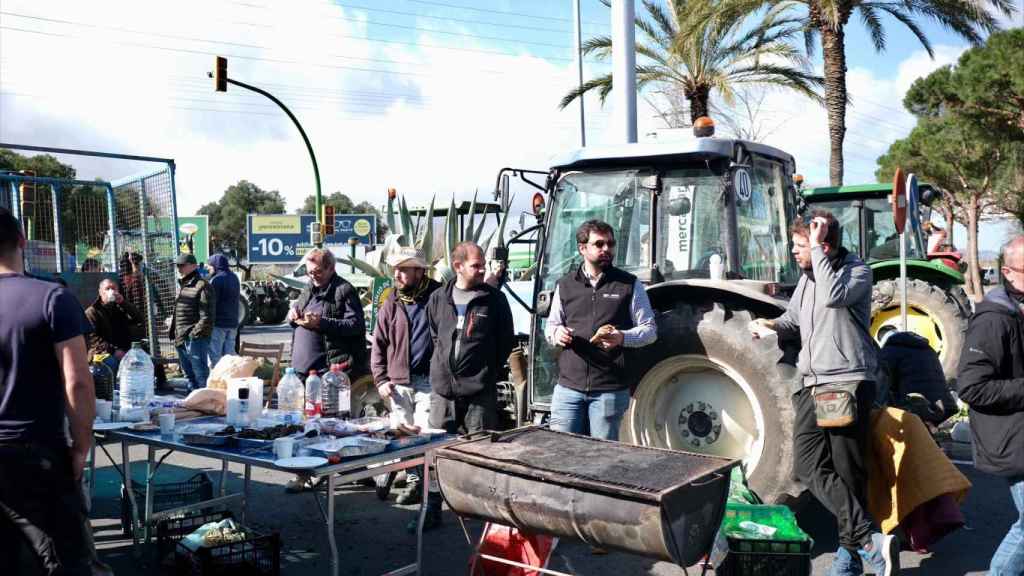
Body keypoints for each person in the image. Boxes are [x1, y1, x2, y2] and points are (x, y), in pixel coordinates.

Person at [750, 211, 898, 576]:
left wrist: (816, 251)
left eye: (801, 246)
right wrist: (769, 324)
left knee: (849, 471)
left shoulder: (856, 272)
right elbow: (794, 320)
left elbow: (833, 297)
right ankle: (867, 539)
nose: (795, 253)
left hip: (844, 382)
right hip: (810, 383)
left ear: (824, 246)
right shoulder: (808, 277)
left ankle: (850, 559)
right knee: (807, 464)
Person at [0, 207, 95, 575]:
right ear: (22, 241)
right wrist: (82, 446)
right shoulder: (52, 298)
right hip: (36, 452)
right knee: (65, 559)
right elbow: (79, 383)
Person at [425, 241, 515, 527]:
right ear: (458, 266)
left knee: (480, 449)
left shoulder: (494, 299)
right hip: (443, 391)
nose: (482, 270)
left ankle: (479, 512)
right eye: (476, 265)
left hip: (479, 391)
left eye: (483, 264)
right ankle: (433, 507)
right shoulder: (439, 298)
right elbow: (435, 337)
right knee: (438, 450)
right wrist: (443, 371)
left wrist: (485, 373)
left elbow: (505, 342)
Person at [545, 219, 657, 440]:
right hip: (568, 389)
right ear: (582, 248)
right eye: (599, 244)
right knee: (560, 454)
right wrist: (557, 334)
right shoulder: (565, 285)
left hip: (609, 391)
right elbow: (551, 326)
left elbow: (650, 330)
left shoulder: (629, 285)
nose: (607, 249)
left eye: (610, 244)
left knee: (603, 460)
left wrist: (622, 337)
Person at [956, 235, 1024, 576]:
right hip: (1012, 440)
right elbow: (972, 387)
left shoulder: (1017, 310)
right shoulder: (993, 320)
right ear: (1009, 273)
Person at [286, 248, 368, 493]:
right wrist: (293, 316)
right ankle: (308, 472)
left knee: (330, 428)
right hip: (302, 372)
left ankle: (331, 472)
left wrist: (321, 323)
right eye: (310, 273)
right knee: (306, 428)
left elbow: (355, 325)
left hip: (328, 371)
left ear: (332, 268)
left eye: (319, 272)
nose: (314, 277)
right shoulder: (308, 289)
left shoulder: (344, 290)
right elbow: (296, 315)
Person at [371, 247, 441, 506]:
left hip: (429, 381)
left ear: (420, 271)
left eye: (404, 269)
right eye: (396, 269)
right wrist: (380, 379)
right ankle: (409, 479)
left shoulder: (437, 296)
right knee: (403, 437)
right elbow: (379, 343)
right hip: (398, 382)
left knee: (423, 436)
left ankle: (421, 489)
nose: (397, 275)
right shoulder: (392, 300)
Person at [169, 253, 215, 391]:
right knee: (189, 376)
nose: (179, 268)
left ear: (193, 266)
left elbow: (207, 316)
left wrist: (193, 335)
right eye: (178, 265)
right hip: (182, 337)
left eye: (182, 265)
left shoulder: (202, 286)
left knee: (200, 375)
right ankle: (194, 403)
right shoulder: (184, 285)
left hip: (194, 339)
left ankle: (205, 402)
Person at [85, 278, 145, 371]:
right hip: (100, 353)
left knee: (145, 359)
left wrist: (123, 302)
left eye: (114, 289)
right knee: (111, 362)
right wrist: (114, 351)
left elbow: (139, 319)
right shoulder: (92, 312)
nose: (111, 291)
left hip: (124, 349)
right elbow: (93, 338)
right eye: (107, 289)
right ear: (100, 292)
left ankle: (159, 383)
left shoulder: (120, 308)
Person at [206, 254, 241, 369]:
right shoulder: (234, 277)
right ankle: (230, 378)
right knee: (229, 355)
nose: (208, 268)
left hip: (218, 323)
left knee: (215, 356)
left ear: (216, 265)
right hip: (233, 323)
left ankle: (218, 380)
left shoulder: (216, 280)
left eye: (210, 266)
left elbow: (211, 303)